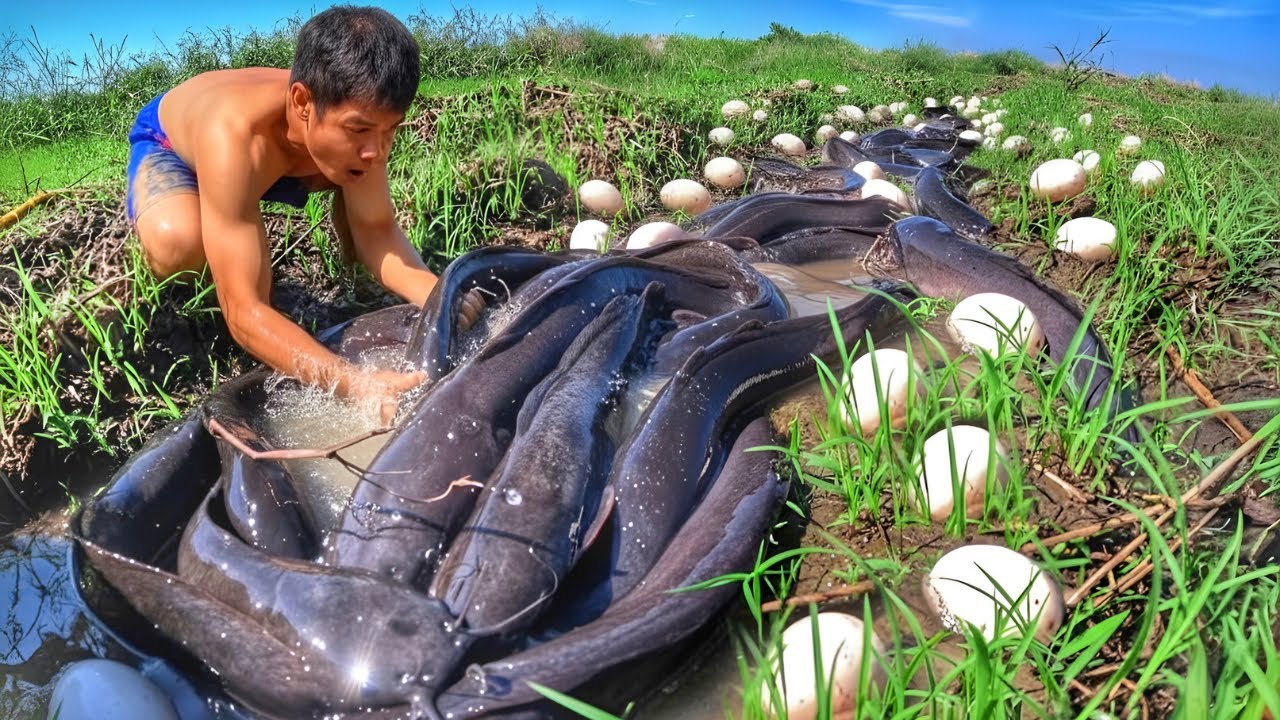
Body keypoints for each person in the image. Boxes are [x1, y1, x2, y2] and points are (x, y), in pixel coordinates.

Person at [125, 5, 441, 420]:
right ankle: (211, 209)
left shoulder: (361, 127)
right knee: (179, 245)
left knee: (355, 182)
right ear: (303, 103)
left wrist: (442, 298)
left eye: (391, 130)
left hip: (291, 155)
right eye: (360, 129)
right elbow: (243, 311)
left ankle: (237, 211)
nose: (377, 150)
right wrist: (355, 384)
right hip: (172, 146)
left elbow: (378, 230)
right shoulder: (236, 135)